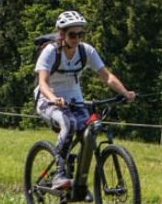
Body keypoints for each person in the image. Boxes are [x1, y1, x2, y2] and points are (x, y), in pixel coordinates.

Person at [34, 10, 133, 188]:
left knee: (91, 130)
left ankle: (78, 183)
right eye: (73, 35)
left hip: (74, 99)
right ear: (62, 34)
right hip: (47, 99)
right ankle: (59, 173)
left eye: (81, 34)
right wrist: (54, 98)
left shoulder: (85, 51)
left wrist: (125, 92)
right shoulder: (50, 52)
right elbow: (43, 83)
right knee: (69, 123)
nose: (77, 39)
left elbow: (107, 76)